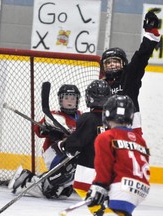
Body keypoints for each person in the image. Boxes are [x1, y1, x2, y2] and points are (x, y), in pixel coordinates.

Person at [8, 84, 81, 199]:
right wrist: (47, 130)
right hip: (53, 152)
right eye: (66, 98)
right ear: (60, 100)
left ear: (77, 100)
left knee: (60, 194)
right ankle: (24, 180)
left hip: (70, 153)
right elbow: (38, 131)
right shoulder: (54, 115)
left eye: (73, 98)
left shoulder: (81, 117)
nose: (70, 101)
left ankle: (33, 180)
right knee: (66, 171)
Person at [85, 94, 150, 216]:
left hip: (122, 186)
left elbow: (104, 164)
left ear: (107, 113)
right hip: (142, 188)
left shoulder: (105, 136)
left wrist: (99, 185)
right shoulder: (139, 139)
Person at [55, 79, 112, 215]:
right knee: (104, 202)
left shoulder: (87, 118)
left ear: (88, 98)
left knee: (91, 198)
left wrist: (62, 145)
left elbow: (74, 145)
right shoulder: (113, 120)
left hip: (88, 172)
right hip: (110, 172)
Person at [100, 10, 160, 135]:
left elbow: (140, 58)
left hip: (131, 132)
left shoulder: (129, 77)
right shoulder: (101, 86)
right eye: (108, 62)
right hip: (107, 132)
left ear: (123, 64)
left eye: (115, 61)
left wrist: (150, 34)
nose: (112, 64)